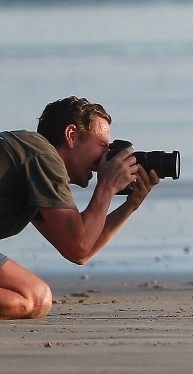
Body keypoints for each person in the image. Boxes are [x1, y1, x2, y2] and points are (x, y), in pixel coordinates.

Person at [1, 97, 160, 320]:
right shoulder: (41, 155)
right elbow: (79, 245)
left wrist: (131, 204)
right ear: (72, 135)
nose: (105, 159)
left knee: (34, 296)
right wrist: (107, 185)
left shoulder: (30, 159)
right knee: (34, 298)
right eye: (103, 146)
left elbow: (80, 251)